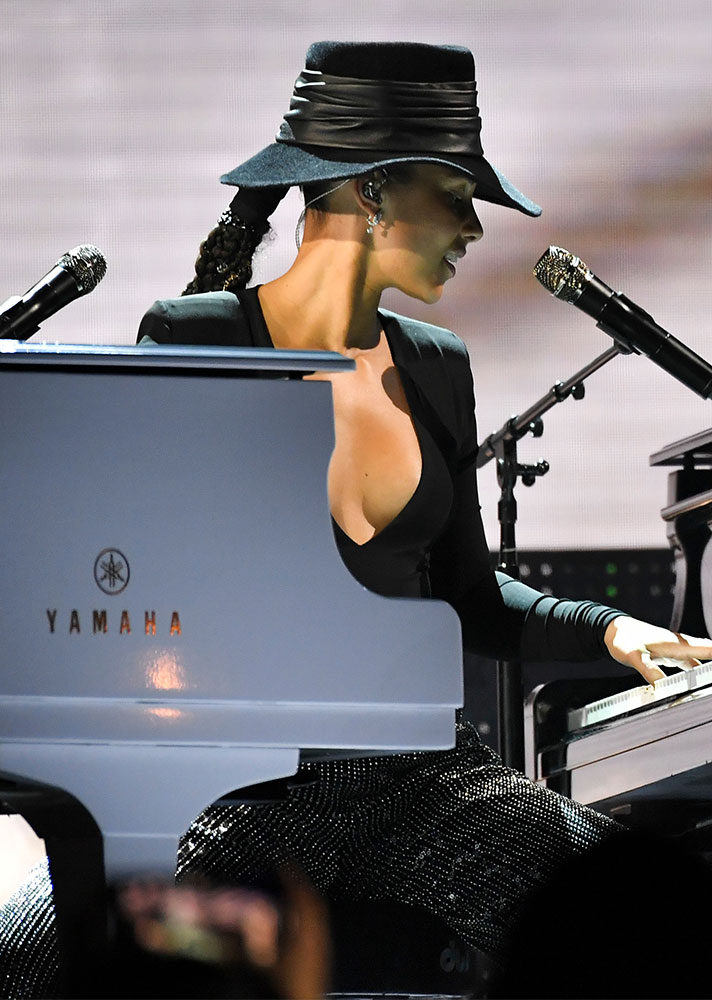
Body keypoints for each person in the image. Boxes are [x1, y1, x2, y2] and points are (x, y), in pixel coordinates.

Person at [1, 39, 711, 999]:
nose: (474, 228)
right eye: (456, 196)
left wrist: (611, 629)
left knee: (656, 930)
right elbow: (140, 587)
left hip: (427, 781)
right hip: (241, 791)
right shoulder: (198, 337)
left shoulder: (436, 363)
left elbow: (468, 597)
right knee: (27, 965)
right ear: (373, 190)